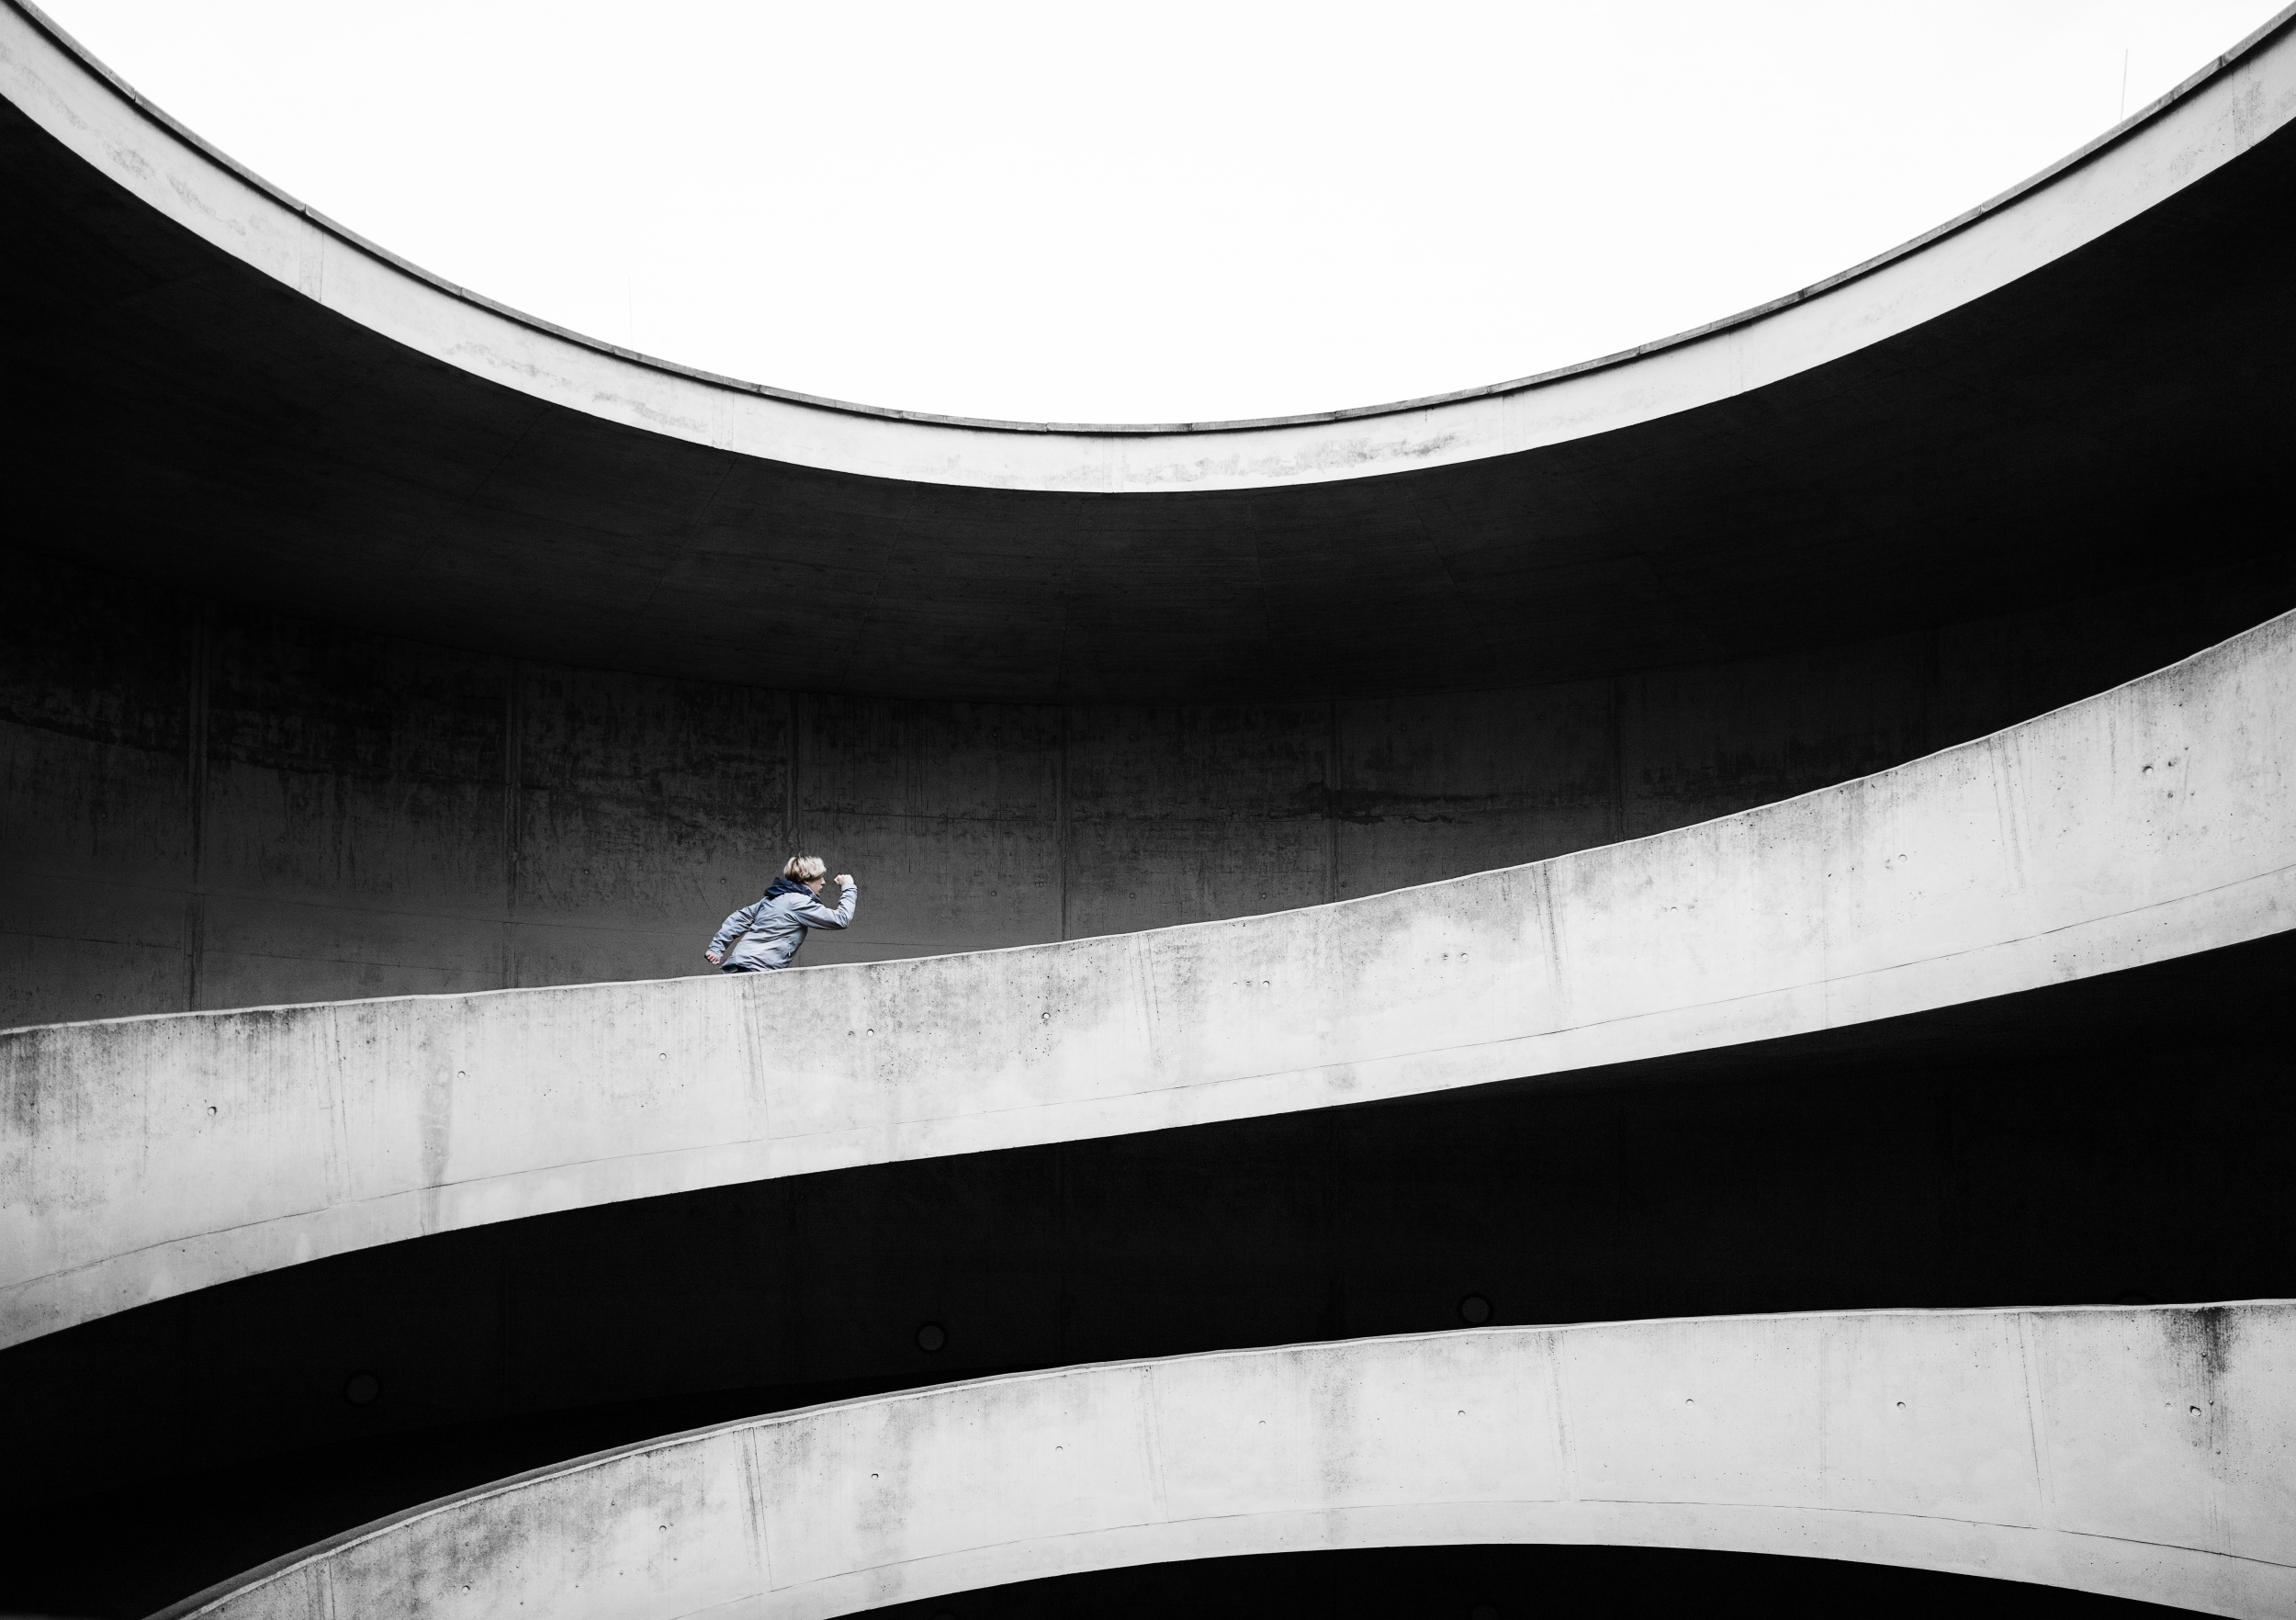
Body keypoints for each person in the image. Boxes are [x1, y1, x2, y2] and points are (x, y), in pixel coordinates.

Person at [705, 857, 857, 973]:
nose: (823, 882)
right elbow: (841, 919)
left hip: (741, 965)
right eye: (819, 877)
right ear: (806, 880)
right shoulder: (798, 902)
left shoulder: (774, 898)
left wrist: (716, 948)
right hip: (757, 969)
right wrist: (848, 887)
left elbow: (738, 919)